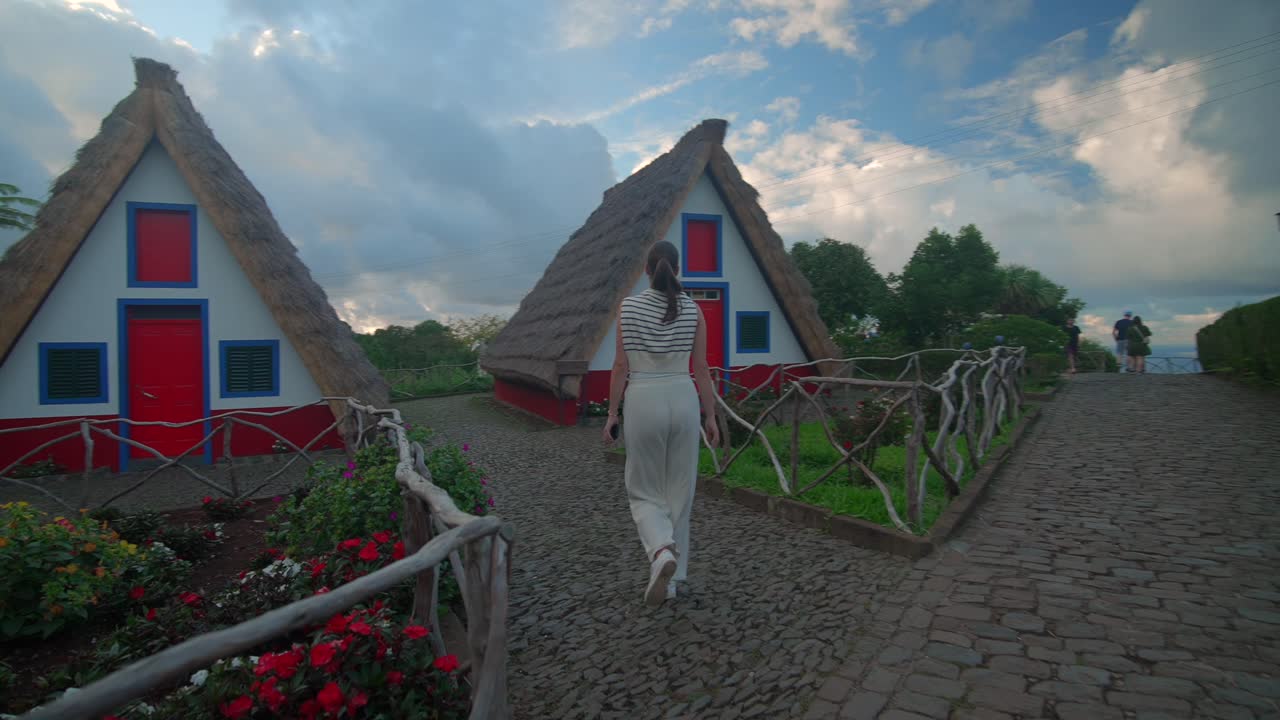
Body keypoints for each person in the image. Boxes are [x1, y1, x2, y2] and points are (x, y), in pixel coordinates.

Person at [603, 241, 720, 606]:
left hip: (643, 400)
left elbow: (620, 366)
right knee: (679, 491)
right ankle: (672, 580)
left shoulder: (628, 307)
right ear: (678, 269)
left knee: (642, 489)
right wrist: (711, 414)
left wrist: (611, 414)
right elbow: (701, 368)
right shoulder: (694, 309)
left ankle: (660, 553)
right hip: (683, 399)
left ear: (646, 270)